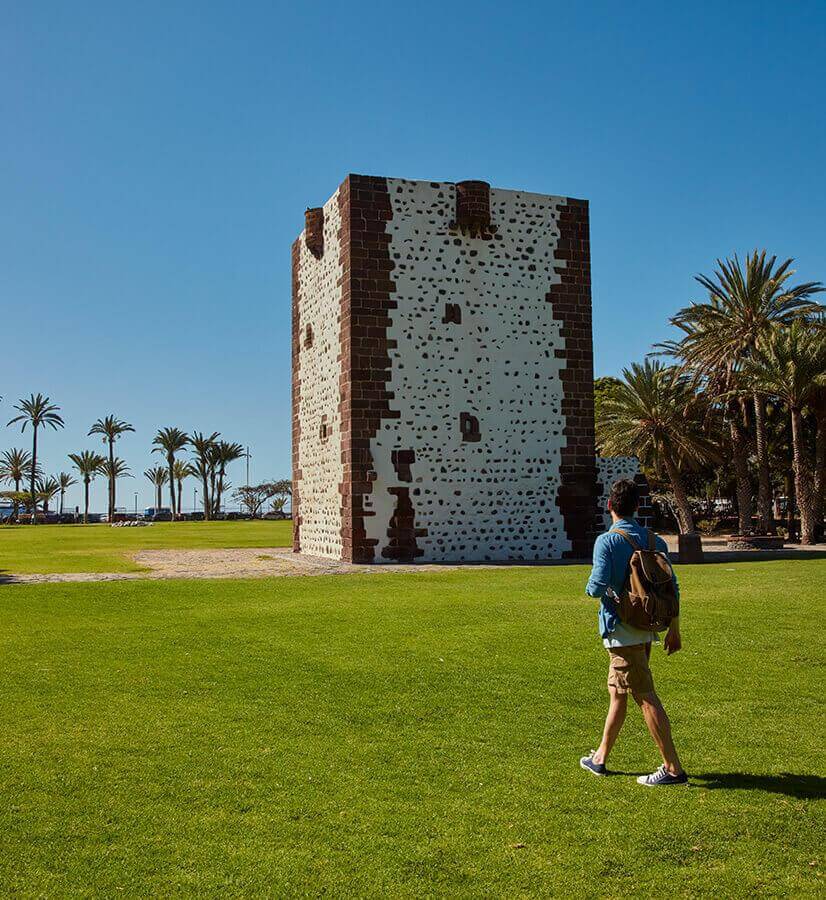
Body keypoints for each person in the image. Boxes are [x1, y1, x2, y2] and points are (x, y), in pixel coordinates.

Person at [580, 478, 688, 786]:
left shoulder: (607, 541)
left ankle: (672, 769)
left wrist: (592, 590)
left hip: (621, 629)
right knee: (617, 693)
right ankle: (600, 758)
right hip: (648, 626)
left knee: (644, 696)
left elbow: (597, 586)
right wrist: (674, 629)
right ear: (637, 507)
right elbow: (672, 588)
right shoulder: (655, 542)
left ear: (610, 506)